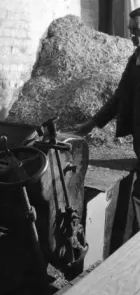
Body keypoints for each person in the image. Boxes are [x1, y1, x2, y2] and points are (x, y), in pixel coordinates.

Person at [74, 7, 140, 231]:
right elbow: (120, 96)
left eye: (138, 30)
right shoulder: (135, 58)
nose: (133, 36)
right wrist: (92, 123)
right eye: (131, 30)